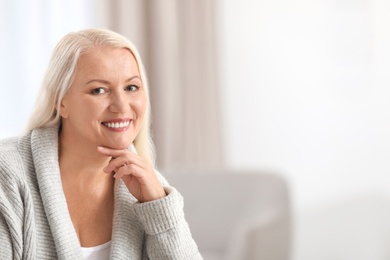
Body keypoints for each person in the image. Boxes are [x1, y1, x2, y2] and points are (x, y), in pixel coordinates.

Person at [0, 28, 202, 260]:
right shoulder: (8, 174)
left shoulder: (148, 188)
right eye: (99, 90)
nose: (122, 106)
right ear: (60, 102)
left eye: (131, 87)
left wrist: (158, 206)